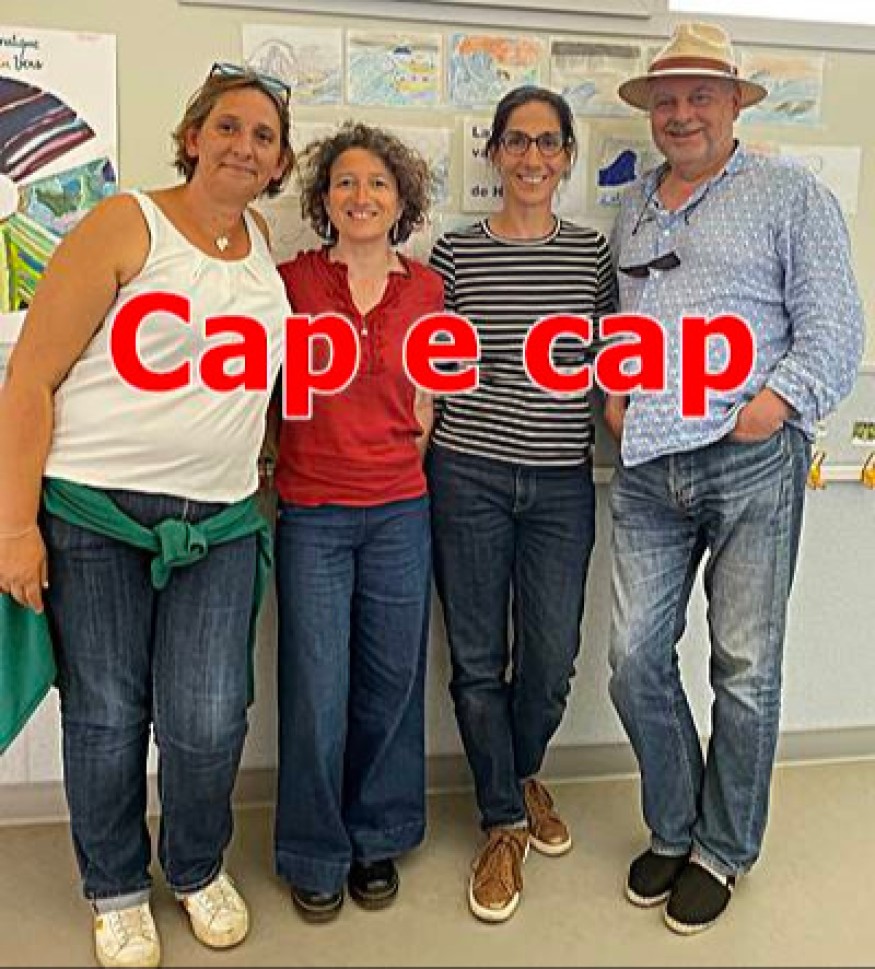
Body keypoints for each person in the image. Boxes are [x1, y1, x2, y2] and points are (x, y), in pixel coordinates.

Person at [0, 62, 294, 967]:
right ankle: (118, 887)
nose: (244, 146)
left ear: (279, 163)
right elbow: (31, 378)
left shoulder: (261, 247)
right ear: (193, 136)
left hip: (220, 525)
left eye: (264, 136)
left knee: (210, 718)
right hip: (95, 521)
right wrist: (14, 525)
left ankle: (197, 866)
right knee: (107, 714)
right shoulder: (125, 222)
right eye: (228, 126)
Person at [606, 22, 865, 935]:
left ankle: (721, 848)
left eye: (699, 97)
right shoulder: (632, 206)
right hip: (648, 463)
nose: (681, 114)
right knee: (633, 660)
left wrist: (769, 407)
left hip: (749, 457)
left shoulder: (790, 195)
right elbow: (624, 318)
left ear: (732, 105)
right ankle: (673, 826)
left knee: (743, 668)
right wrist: (614, 395)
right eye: (666, 100)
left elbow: (833, 326)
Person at [427, 86, 616, 923]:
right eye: (516, 141)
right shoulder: (455, 254)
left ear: (567, 157)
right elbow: (431, 370)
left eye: (547, 142)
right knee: (475, 660)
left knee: (550, 657)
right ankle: (502, 819)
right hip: (465, 475)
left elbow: (614, 368)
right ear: (494, 153)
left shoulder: (590, 257)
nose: (531, 157)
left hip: (559, 484)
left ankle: (517, 769)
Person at [272, 121, 443, 923]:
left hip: (400, 512)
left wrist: (398, 454)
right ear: (323, 199)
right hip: (312, 516)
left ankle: (378, 834)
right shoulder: (290, 283)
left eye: (377, 182)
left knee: (391, 683)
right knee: (316, 690)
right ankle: (314, 850)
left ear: (401, 200)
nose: (361, 195)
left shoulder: (427, 290)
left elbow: (426, 399)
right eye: (345, 181)